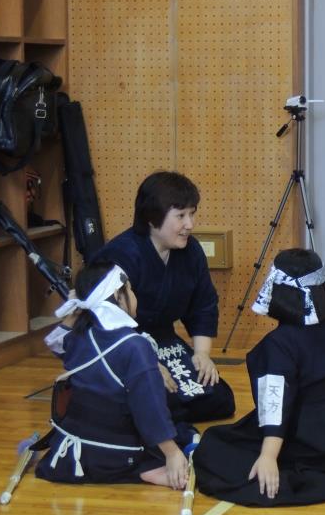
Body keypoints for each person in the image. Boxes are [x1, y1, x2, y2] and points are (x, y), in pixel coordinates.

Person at [193, 249, 325, 507]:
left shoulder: (279, 344)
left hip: (305, 438)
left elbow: (276, 405)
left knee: (213, 447)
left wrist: (268, 457)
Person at [34, 262, 193, 488]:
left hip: (75, 448)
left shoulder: (79, 336)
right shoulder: (135, 346)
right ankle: (145, 468)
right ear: (118, 297)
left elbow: (56, 343)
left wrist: (76, 311)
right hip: (118, 454)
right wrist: (172, 453)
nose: (134, 295)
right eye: (129, 290)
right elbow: (149, 408)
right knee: (183, 433)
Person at [94, 171, 235, 423]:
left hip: (163, 339)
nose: (189, 224)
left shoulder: (191, 251)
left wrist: (202, 354)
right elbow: (105, 323)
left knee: (219, 398)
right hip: (123, 346)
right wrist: (144, 364)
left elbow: (203, 304)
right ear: (152, 217)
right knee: (156, 397)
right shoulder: (121, 254)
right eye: (181, 216)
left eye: (192, 214)